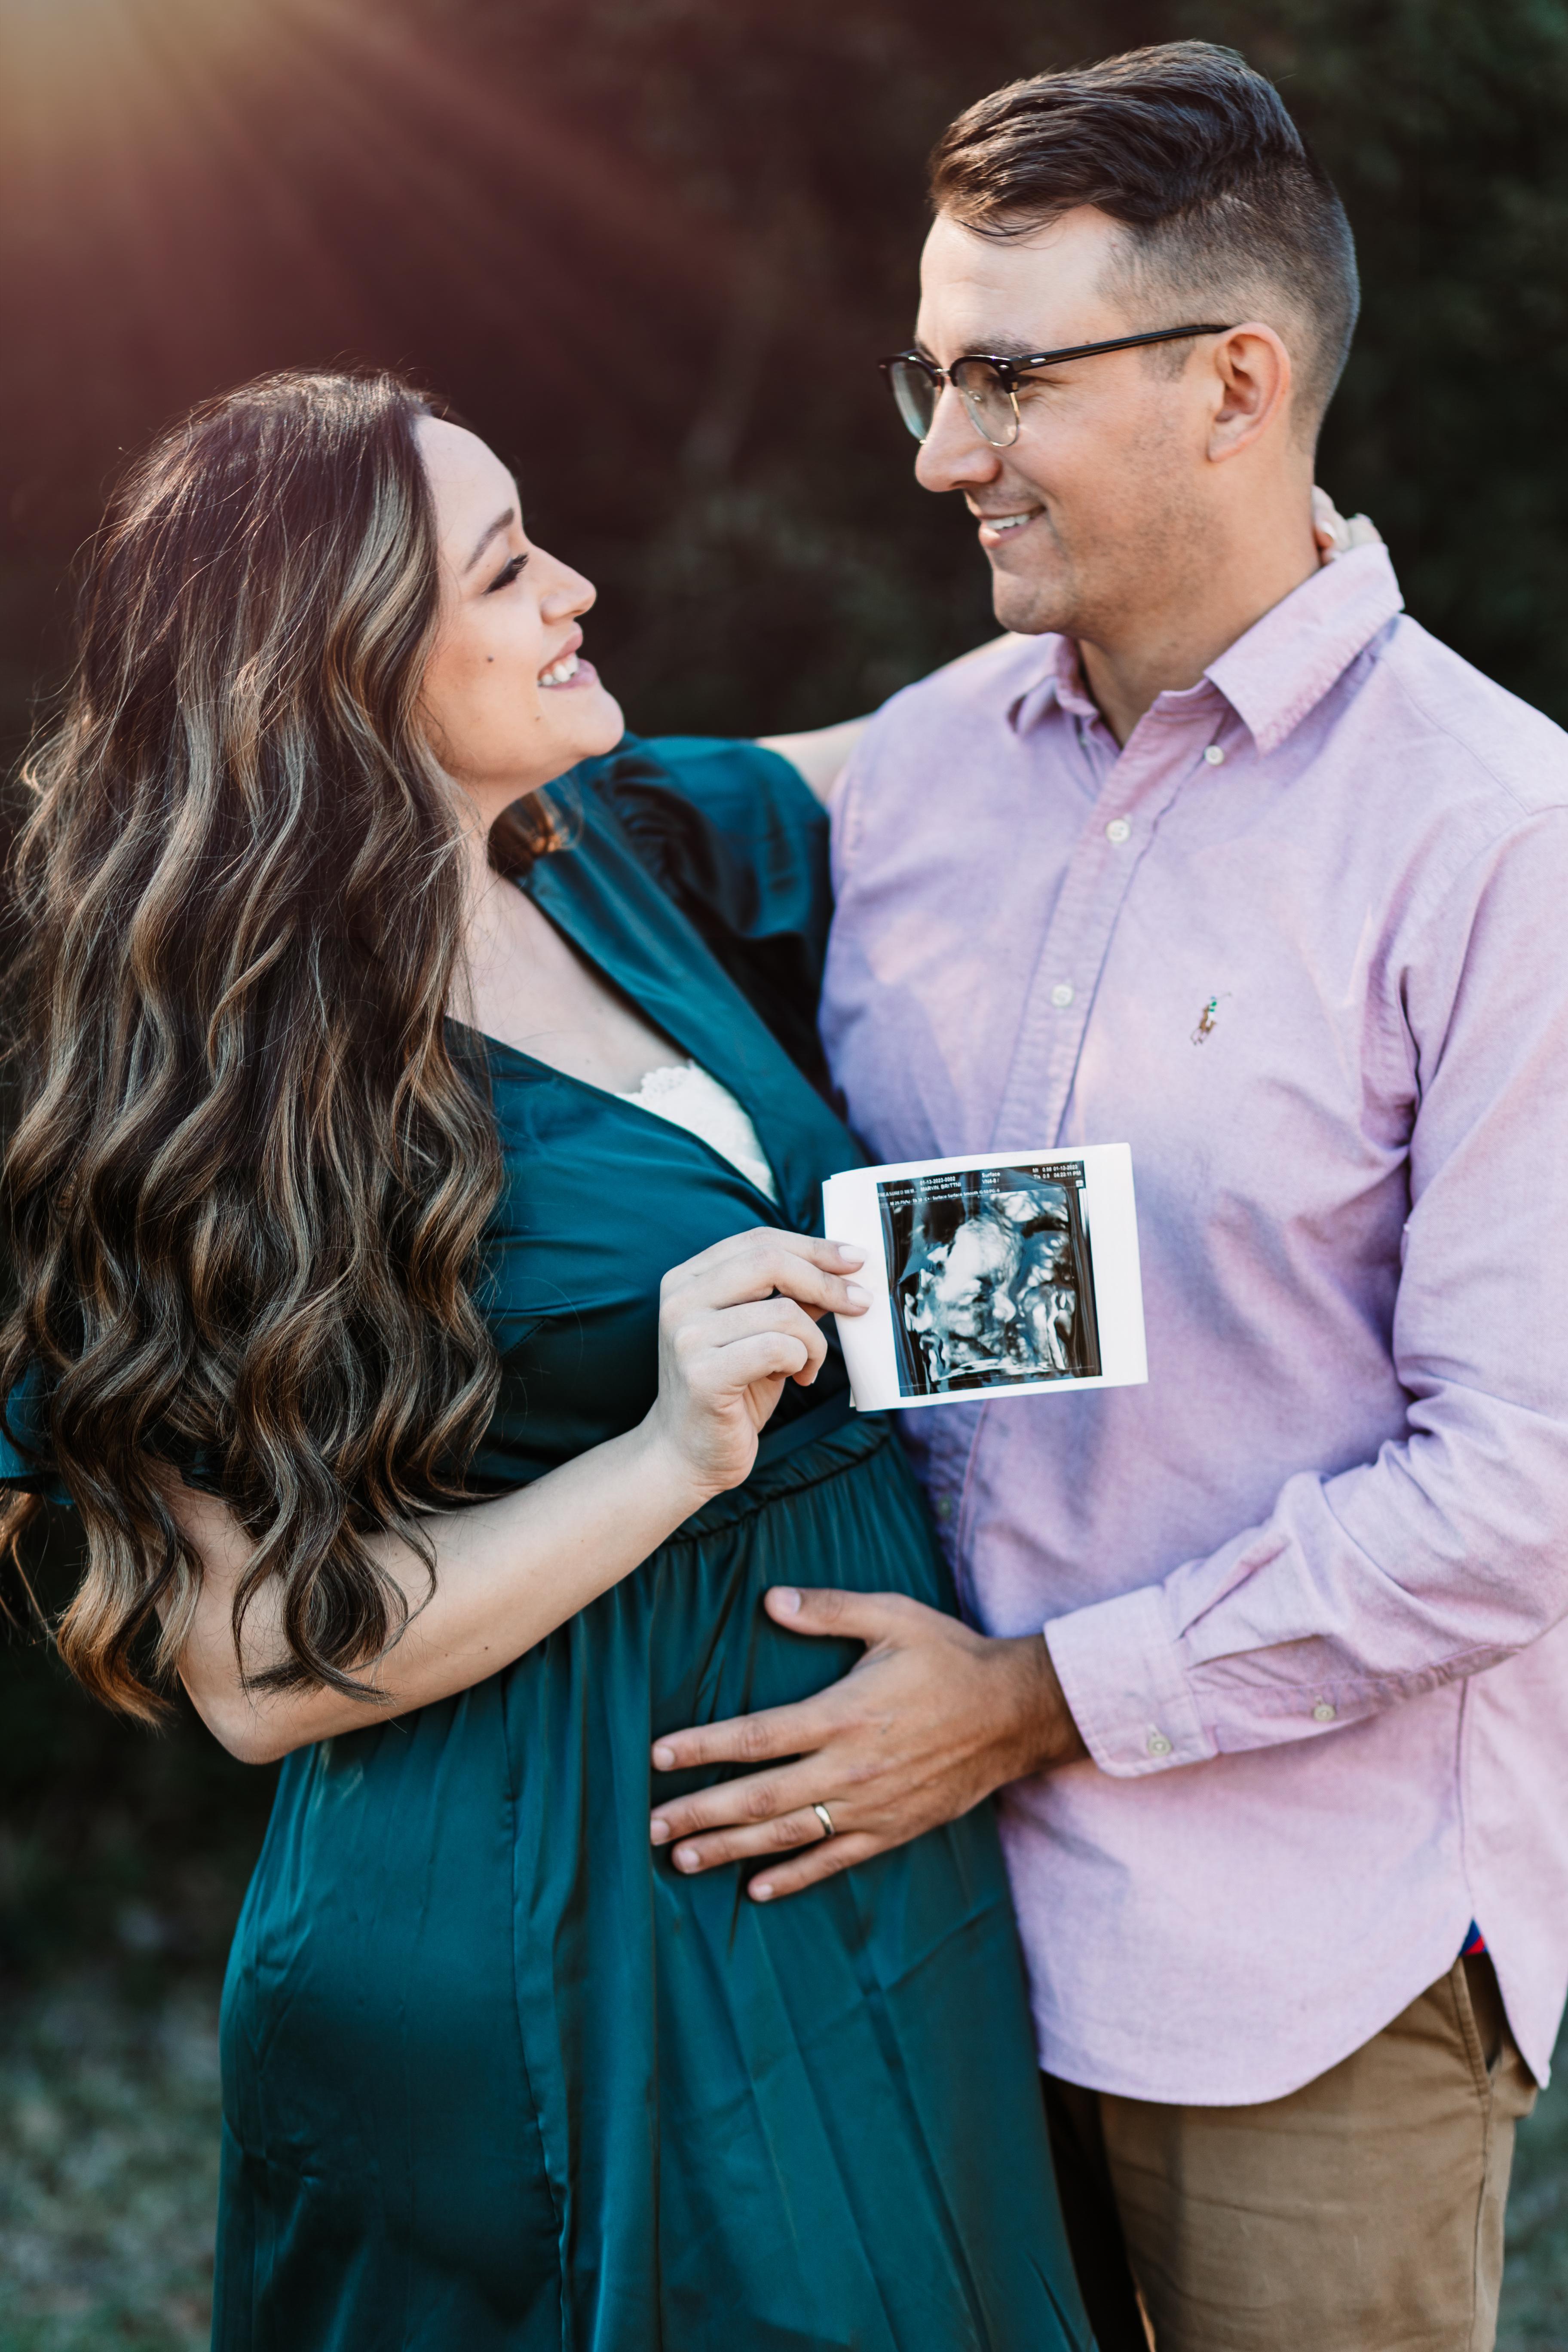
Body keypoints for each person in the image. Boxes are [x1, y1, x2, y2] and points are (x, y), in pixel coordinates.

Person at [0, 370, 1093, 2350]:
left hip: (854, 1855)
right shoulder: (217, 1094)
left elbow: (982, 744)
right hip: (545, 1901)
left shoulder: (611, 844)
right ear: (344, 666)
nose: (575, 587)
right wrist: (662, 1452)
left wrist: (1243, 566)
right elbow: (251, 1671)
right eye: (507, 571)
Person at [643, 43, 1568, 2352]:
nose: (940, 452)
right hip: (911, 1931)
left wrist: (1032, 1700)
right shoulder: (925, 767)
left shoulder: (1502, 844)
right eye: (931, 375)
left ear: (1234, 384)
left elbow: (1521, 1497)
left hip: (1295, 1964)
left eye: (1005, 379)